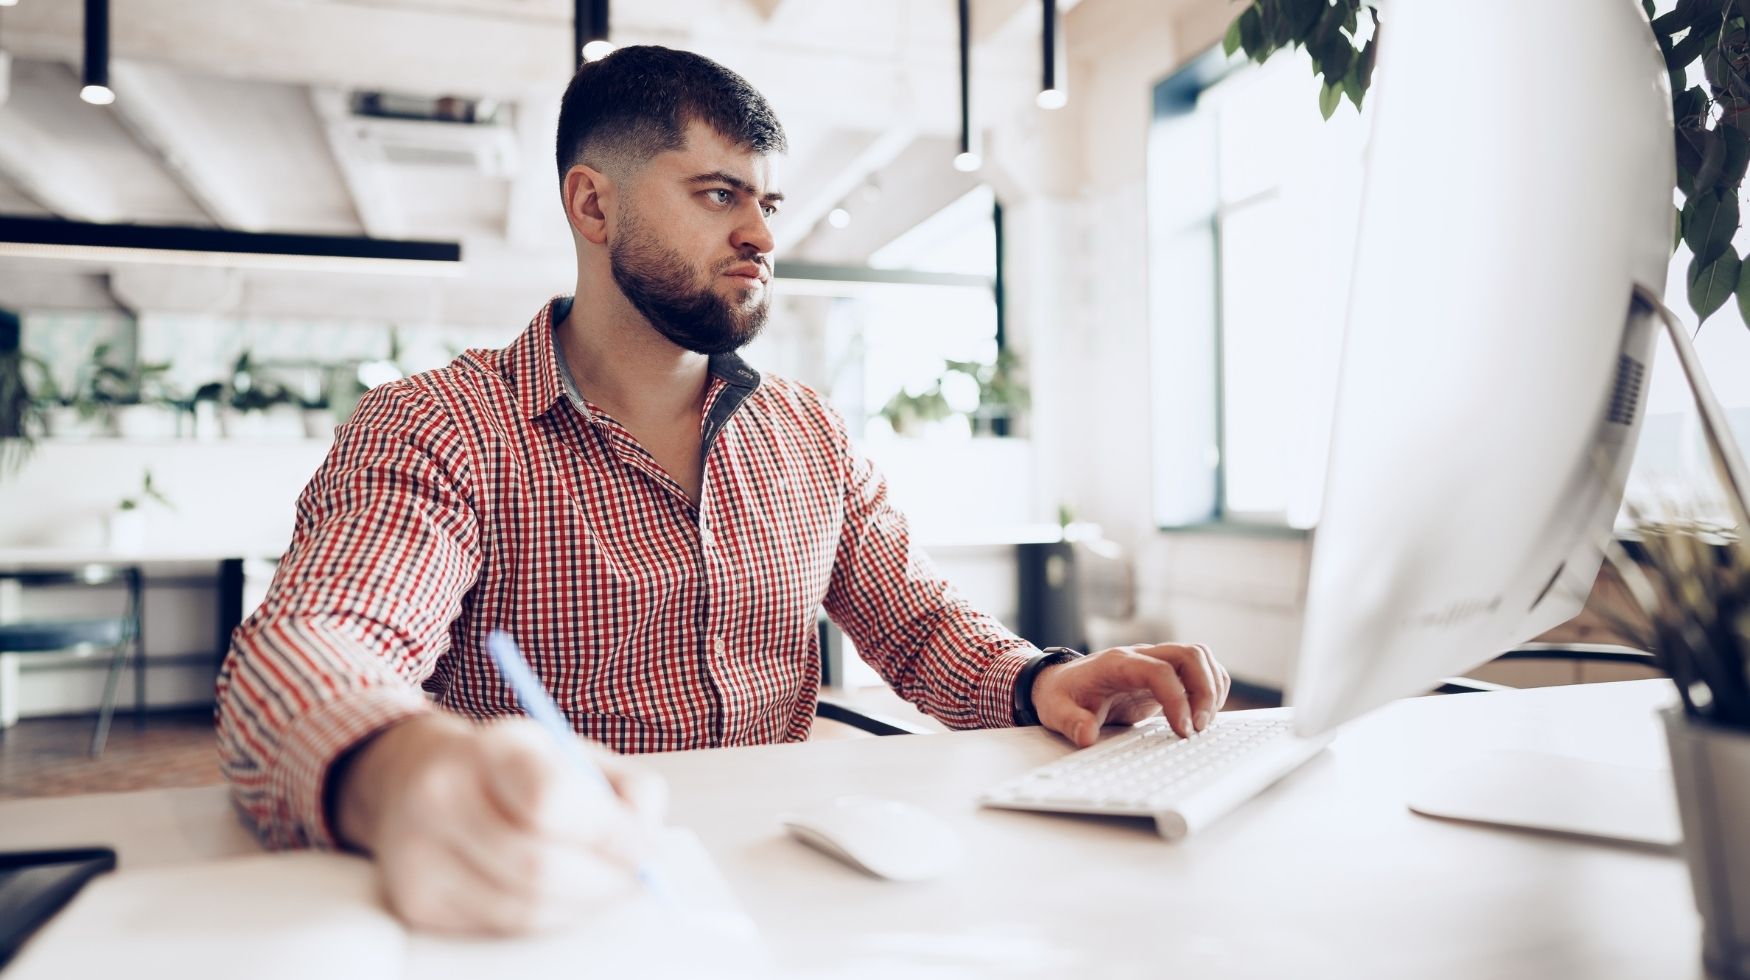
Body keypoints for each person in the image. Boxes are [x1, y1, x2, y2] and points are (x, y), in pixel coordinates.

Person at [215, 44, 1232, 936]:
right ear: (592, 203)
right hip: (551, 889)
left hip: (787, 885)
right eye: (717, 193)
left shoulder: (810, 430)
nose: (762, 234)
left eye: (767, 201)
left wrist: (1040, 679)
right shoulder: (442, 426)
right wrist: (401, 772)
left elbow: (919, 626)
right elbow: (314, 644)